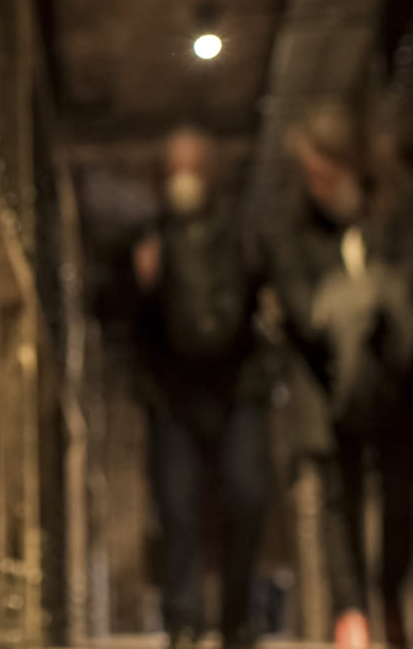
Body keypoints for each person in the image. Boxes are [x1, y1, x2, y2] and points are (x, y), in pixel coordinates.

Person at [264, 100, 413, 649]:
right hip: (323, 385)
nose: (317, 186)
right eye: (311, 176)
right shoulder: (292, 227)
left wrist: (382, 316)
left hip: (396, 378)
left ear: (353, 163)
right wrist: (345, 313)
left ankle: (389, 592)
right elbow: (298, 303)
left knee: (400, 489)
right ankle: (351, 612)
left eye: (325, 173)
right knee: (335, 499)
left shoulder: (402, 209)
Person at [133, 126, 272, 649]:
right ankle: (184, 620)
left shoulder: (241, 232)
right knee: (177, 507)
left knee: (248, 494)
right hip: (171, 392)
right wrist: (140, 284)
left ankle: (236, 614)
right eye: (174, 168)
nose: (183, 178)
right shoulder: (145, 238)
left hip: (238, 387)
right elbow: (123, 321)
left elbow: (268, 307)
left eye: (191, 167)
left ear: (209, 172)